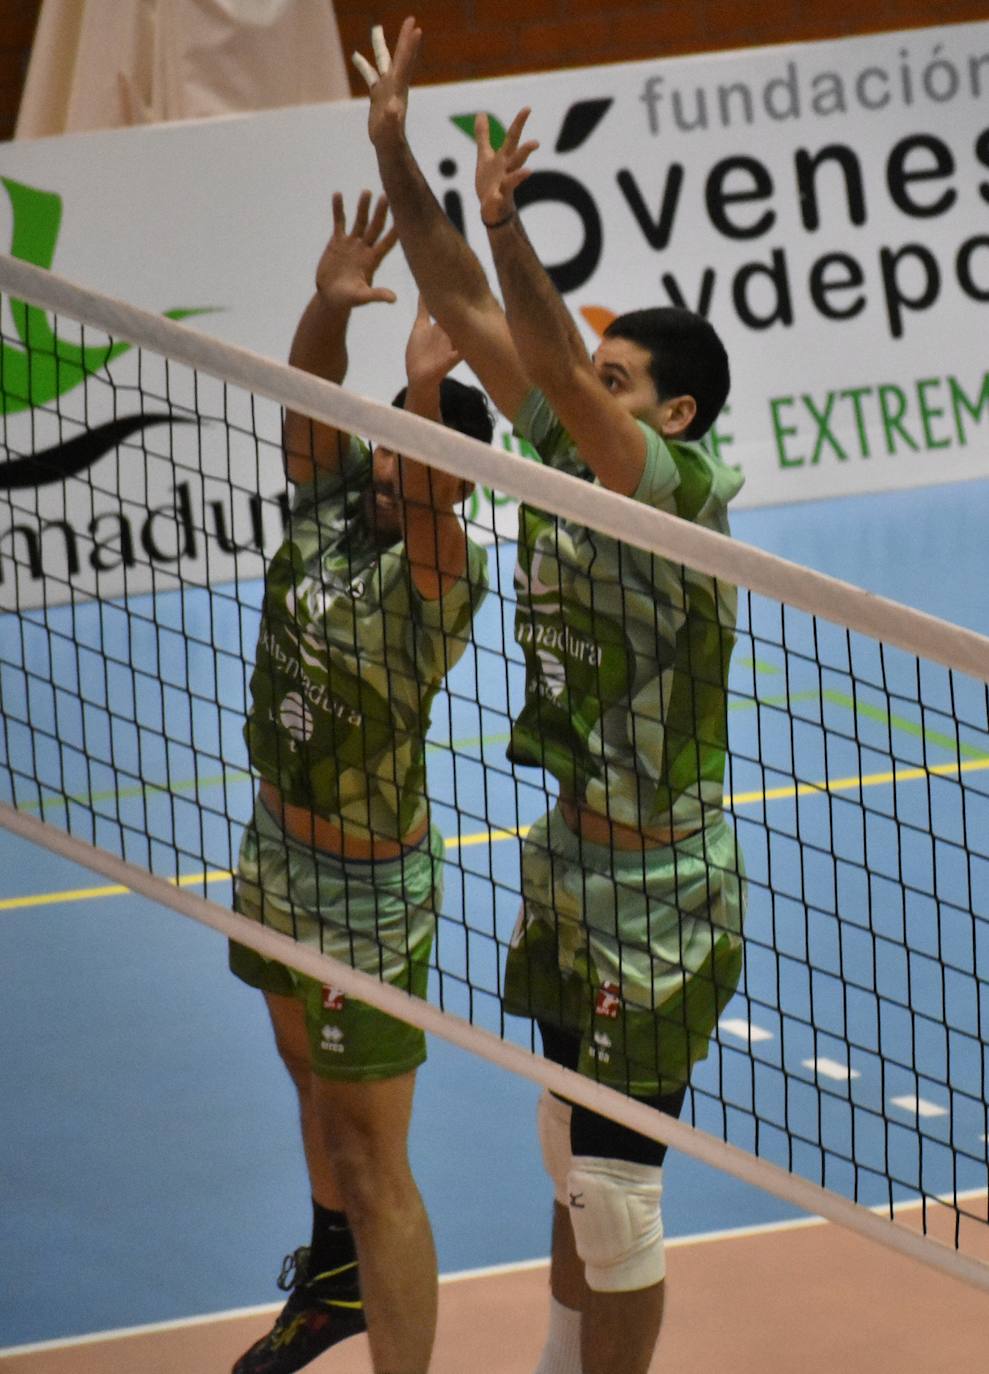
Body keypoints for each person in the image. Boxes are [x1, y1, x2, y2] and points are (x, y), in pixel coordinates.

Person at [356, 20, 747, 1374]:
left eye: (625, 377)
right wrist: (403, 158)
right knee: (565, 1147)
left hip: (665, 897)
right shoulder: (567, 464)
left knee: (616, 1196)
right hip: (572, 862)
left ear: (673, 415)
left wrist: (514, 227)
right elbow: (467, 312)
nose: (591, 384)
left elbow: (558, 368)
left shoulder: (675, 494)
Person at [229, 188, 491, 1374]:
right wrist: (326, 307)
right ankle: (331, 1283)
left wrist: (431, 391)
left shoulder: (441, 582)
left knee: (379, 1163)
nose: (391, 463)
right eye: (388, 440)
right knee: (304, 1079)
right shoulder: (334, 511)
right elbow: (305, 403)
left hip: (361, 901)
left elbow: (432, 502)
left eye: (415, 454)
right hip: (272, 857)